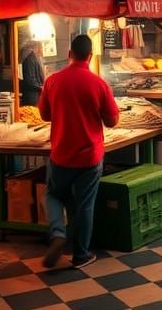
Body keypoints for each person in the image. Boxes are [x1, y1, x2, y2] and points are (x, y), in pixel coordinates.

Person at [39, 34, 119, 270]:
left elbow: (44, 115)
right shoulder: (99, 83)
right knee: (85, 205)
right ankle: (81, 254)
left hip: (61, 154)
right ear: (90, 56)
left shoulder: (52, 81)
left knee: (53, 195)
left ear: (69, 54)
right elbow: (112, 121)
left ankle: (57, 233)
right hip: (89, 157)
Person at [20, 41, 45, 107]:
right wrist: (41, 87)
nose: (42, 51)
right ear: (37, 48)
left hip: (36, 96)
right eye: (41, 48)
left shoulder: (36, 59)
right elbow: (30, 80)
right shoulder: (30, 59)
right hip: (32, 97)